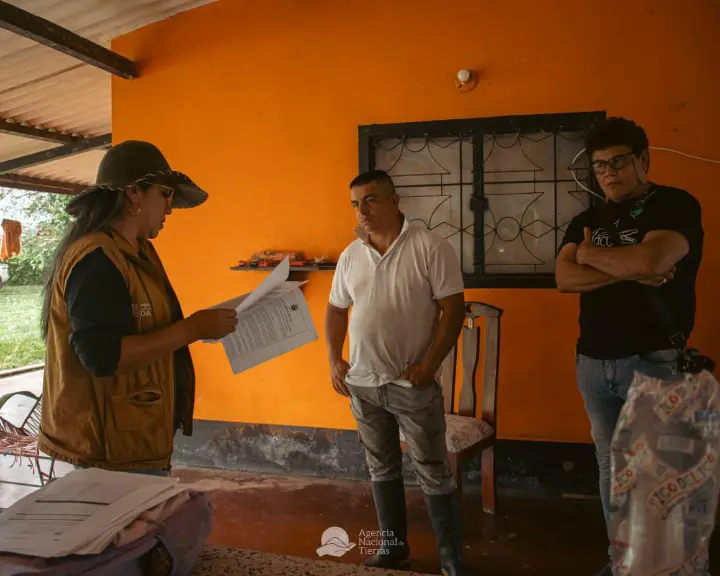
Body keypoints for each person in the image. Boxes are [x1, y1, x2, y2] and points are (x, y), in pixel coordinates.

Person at [555, 117, 704, 575]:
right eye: (600, 165)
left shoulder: (675, 205)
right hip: (593, 363)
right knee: (611, 467)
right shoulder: (586, 220)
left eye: (618, 162)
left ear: (643, 159)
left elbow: (652, 258)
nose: (609, 173)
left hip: (654, 359)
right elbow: (564, 277)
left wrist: (589, 255)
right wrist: (625, 268)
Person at [38, 140, 238, 476]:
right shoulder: (97, 259)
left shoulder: (137, 252)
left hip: (132, 440)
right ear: (134, 193)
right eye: (165, 194)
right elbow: (102, 357)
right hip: (105, 453)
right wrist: (193, 329)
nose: (169, 208)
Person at [325, 170, 468, 575]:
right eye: (356, 203)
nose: (362, 210)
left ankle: (451, 559)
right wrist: (334, 359)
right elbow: (336, 308)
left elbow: (453, 310)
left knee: (433, 470)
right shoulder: (352, 254)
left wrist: (430, 366)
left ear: (394, 200)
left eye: (370, 200)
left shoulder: (429, 246)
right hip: (363, 384)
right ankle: (393, 550)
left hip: (411, 384)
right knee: (381, 468)